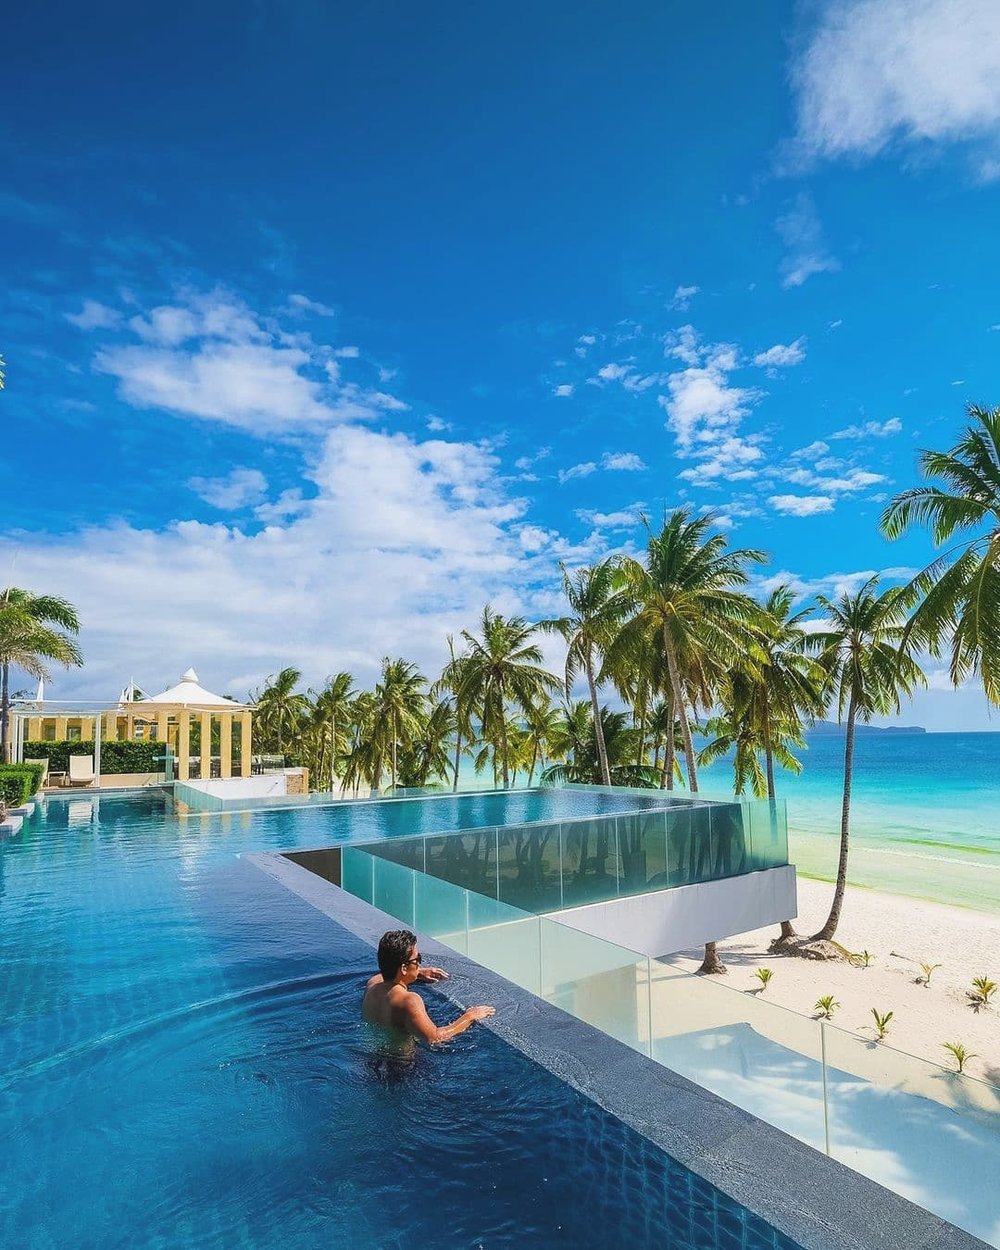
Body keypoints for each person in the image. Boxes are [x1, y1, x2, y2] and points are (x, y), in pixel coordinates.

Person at [362, 929, 495, 1042]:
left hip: (371, 1060)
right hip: (402, 1066)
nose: (419, 963)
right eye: (417, 959)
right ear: (403, 968)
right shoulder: (409, 1001)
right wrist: (469, 1016)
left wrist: (417, 972)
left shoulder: (372, 986)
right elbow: (435, 1038)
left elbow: (383, 975)